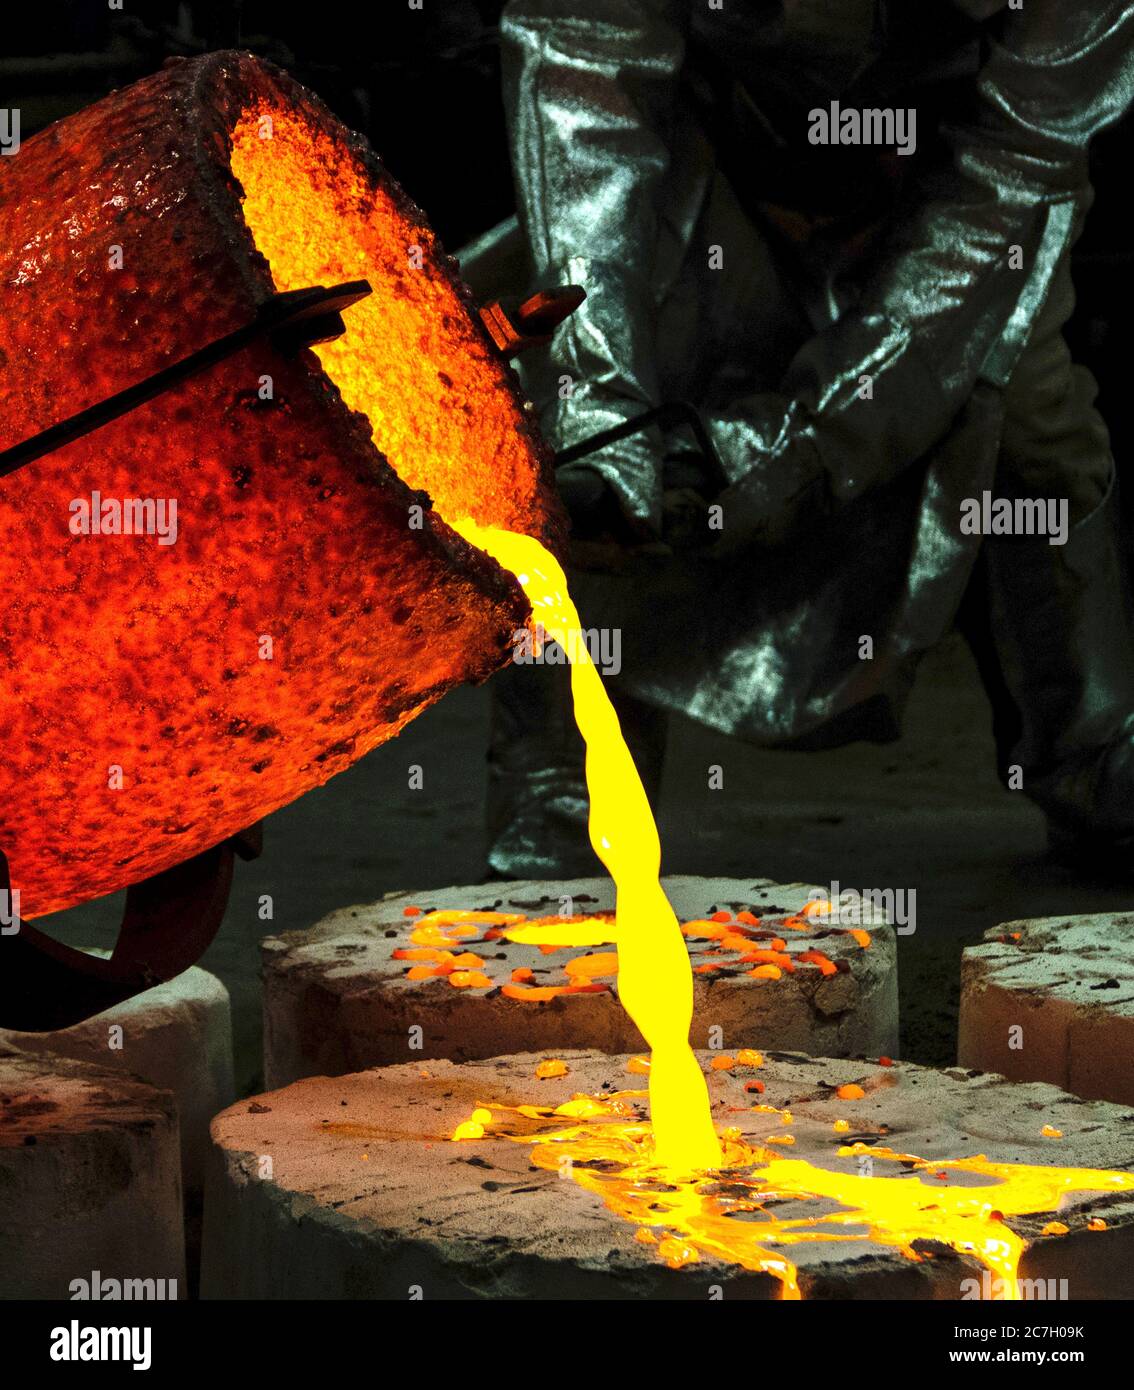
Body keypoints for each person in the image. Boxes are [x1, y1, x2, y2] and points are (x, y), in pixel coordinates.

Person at [470, 0, 1134, 877]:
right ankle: (560, 802)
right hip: (701, 155)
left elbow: (1009, 168)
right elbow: (587, 68)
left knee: (1031, 417)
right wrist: (598, 402)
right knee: (575, 442)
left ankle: (1094, 755)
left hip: (957, 180)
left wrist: (796, 452)